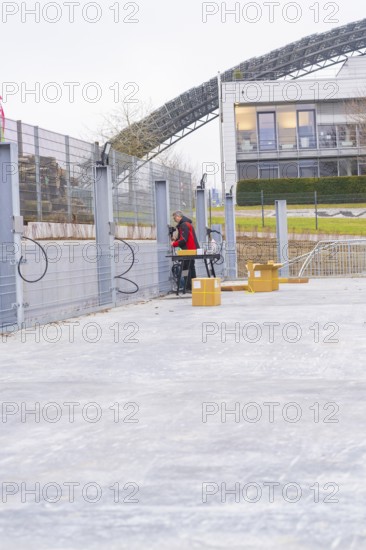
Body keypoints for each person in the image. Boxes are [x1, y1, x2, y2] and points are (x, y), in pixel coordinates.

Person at [171, 210, 199, 291]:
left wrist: (174, 244)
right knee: (191, 267)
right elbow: (185, 237)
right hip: (192, 249)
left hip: (187, 250)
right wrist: (176, 239)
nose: (174, 220)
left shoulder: (184, 225)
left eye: (174, 218)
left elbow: (183, 239)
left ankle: (187, 286)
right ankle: (194, 286)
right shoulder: (187, 223)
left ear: (178, 217)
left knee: (185, 268)